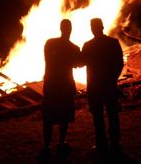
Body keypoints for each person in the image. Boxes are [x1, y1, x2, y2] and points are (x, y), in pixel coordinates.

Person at [81, 18, 124, 156]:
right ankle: (114, 144)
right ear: (102, 27)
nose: (93, 28)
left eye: (93, 26)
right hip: (108, 86)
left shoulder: (88, 45)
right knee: (112, 115)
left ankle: (102, 144)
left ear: (96, 28)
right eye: (93, 26)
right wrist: (112, 79)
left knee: (98, 118)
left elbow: (80, 62)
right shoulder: (113, 43)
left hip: (94, 87)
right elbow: (119, 64)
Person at [39, 19, 80, 160]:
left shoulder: (50, 43)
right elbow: (77, 64)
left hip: (51, 85)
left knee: (49, 117)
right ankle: (61, 143)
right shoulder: (74, 48)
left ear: (61, 28)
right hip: (65, 86)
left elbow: (47, 59)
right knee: (64, 116)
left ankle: (46, 146)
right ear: (70, 29)